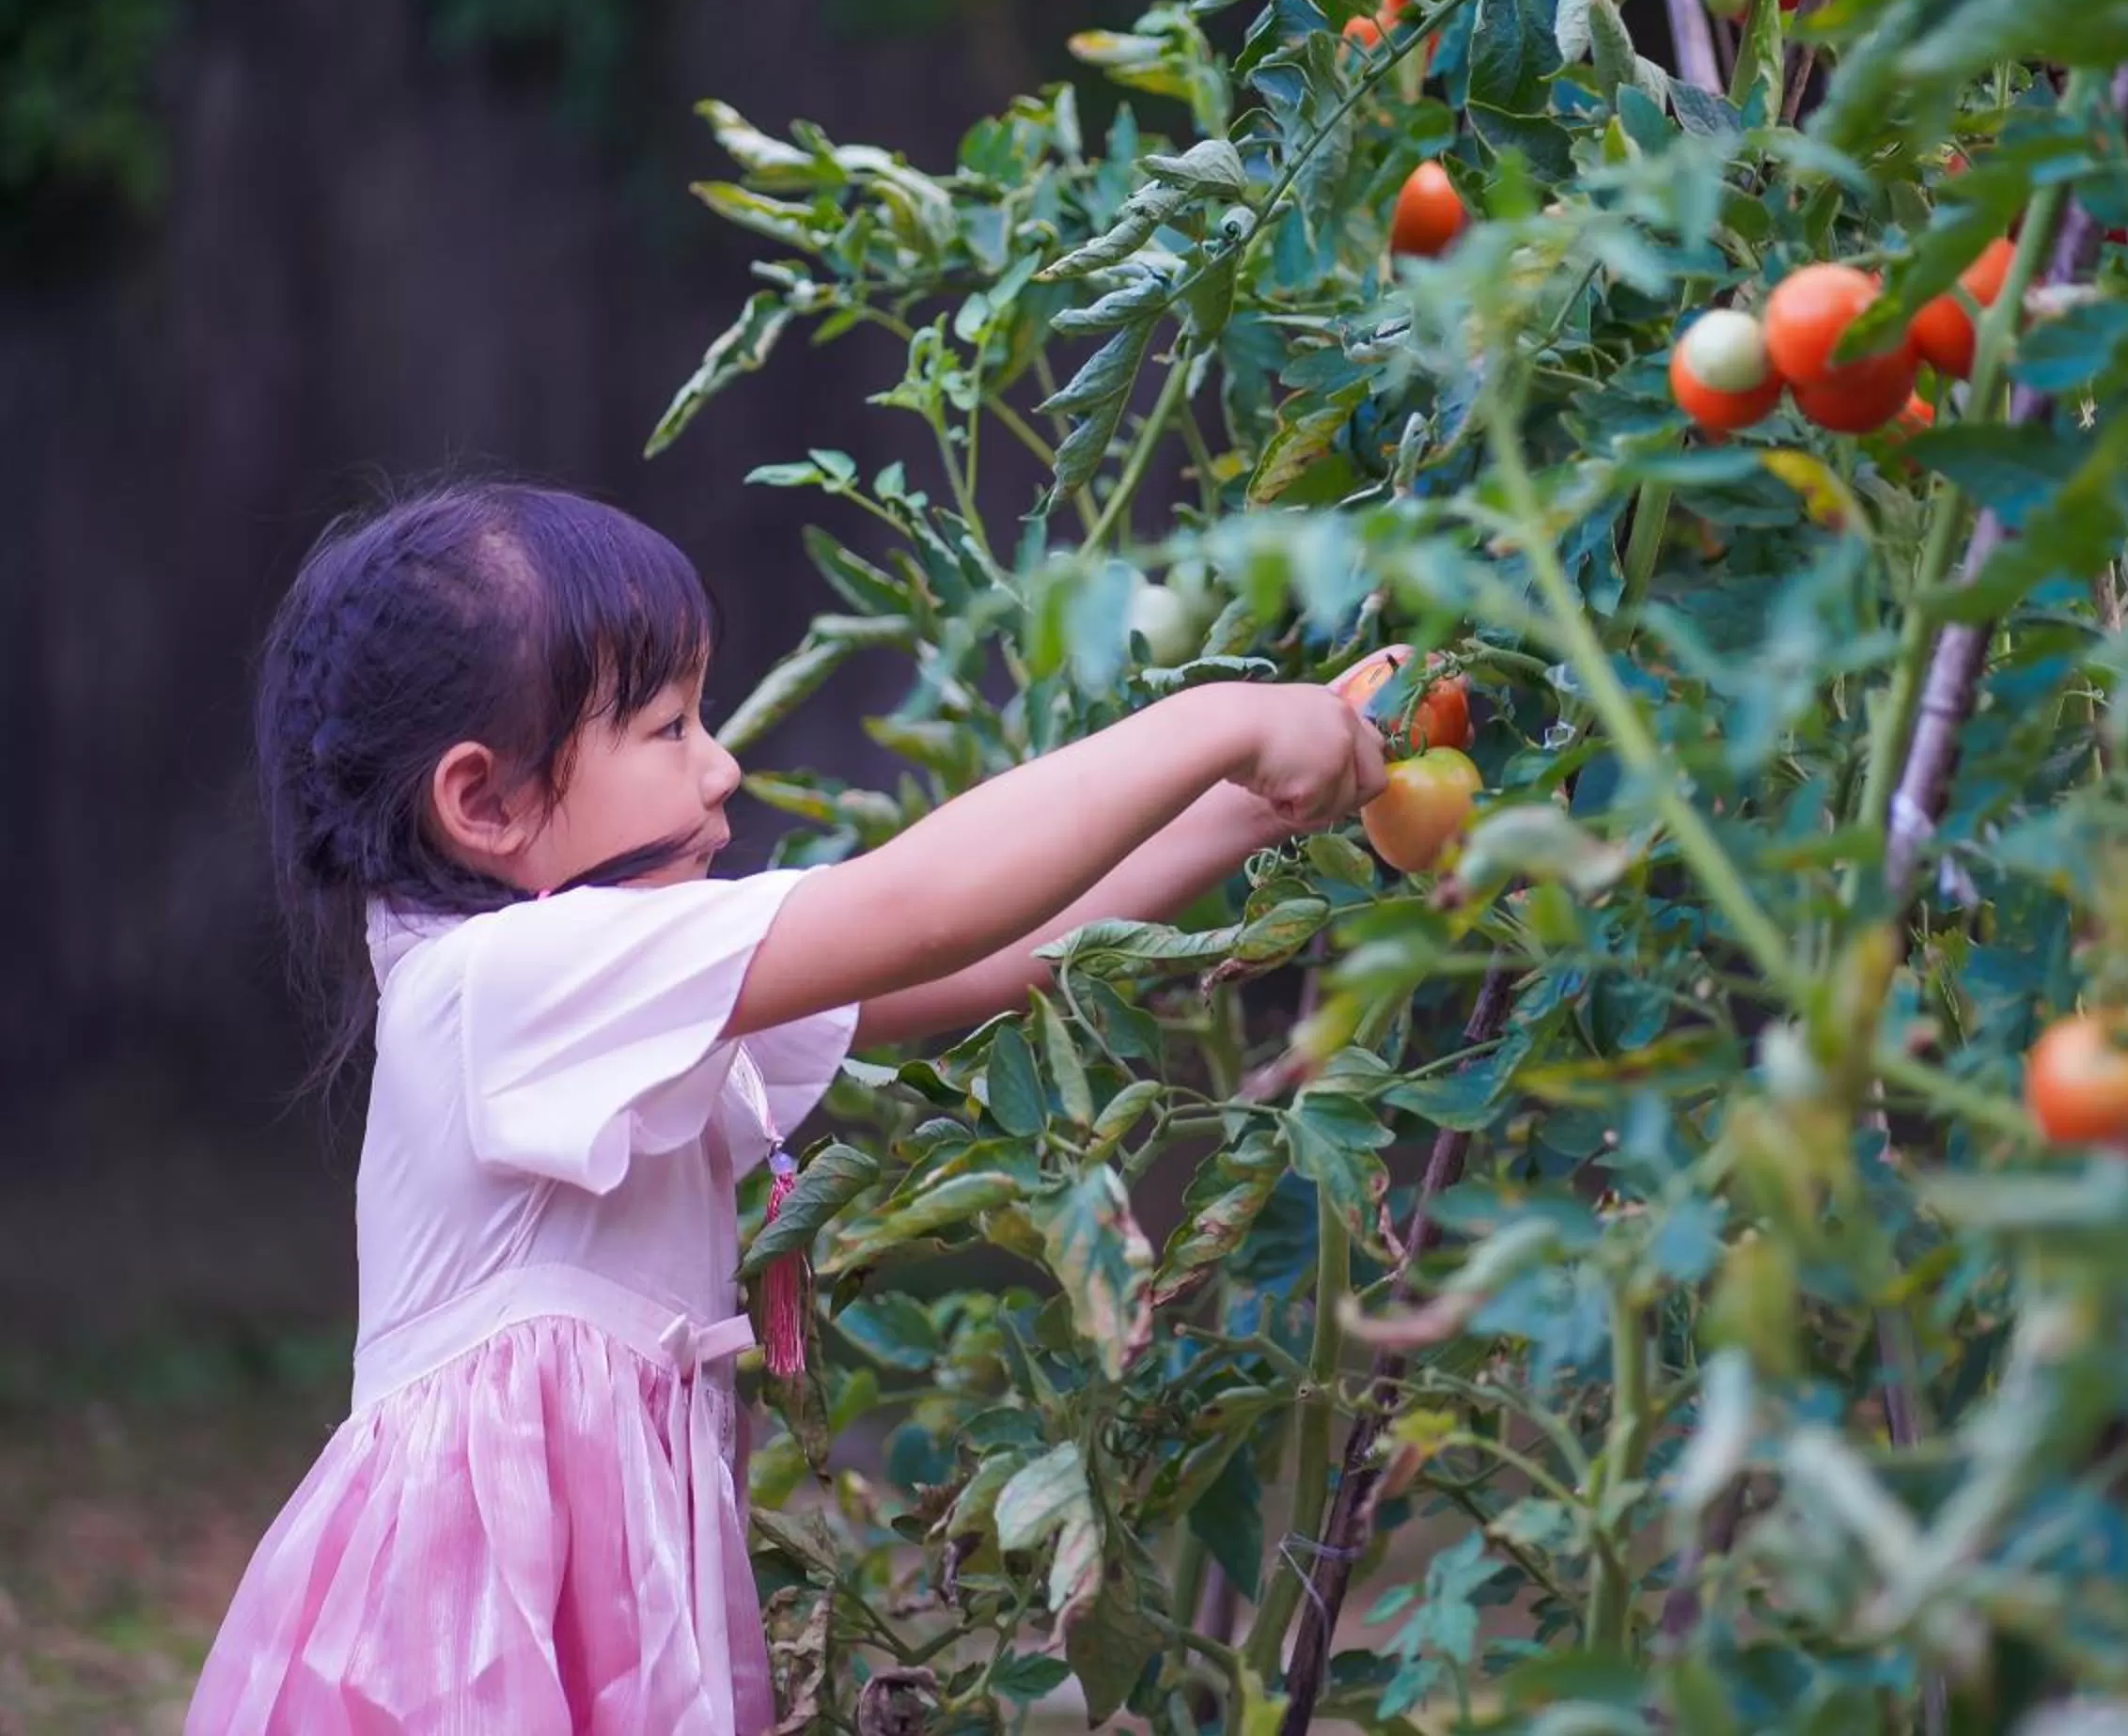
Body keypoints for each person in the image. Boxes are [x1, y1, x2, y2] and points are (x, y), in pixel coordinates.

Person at [186, 479, 1387, 1733]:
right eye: (667, 729)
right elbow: (922, 906)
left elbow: (985, 955)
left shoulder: (596, 989)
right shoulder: (500, 988)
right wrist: (1219, 724)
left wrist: (1254, 805)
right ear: (484, 804)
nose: (723, 765)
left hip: (568, 1625)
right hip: (468, 1650)